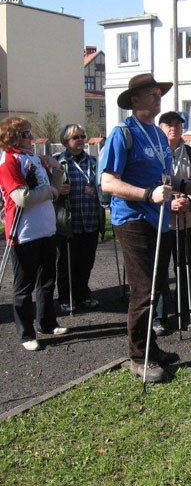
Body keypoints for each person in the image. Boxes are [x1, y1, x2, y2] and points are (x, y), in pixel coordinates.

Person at [99, 73, 178, 383]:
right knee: (143, 290)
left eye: (160, 93)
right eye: (152, 93)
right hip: (132, 219)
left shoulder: (158, 135)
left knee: (155, 286)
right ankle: (139, 357)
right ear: (135, 100)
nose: (158, 97)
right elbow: (108, 182)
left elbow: (163, 179)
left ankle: (152, 347)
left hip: (158, 218)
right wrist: (147, 195)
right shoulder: (122, 133)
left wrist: (186, 186)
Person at [0, 117, 69, 351]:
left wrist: (56, 168)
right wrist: (49, 191)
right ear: (13, 137)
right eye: (25, 134)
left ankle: (47, 322)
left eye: (30, 133)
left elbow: (55, 190)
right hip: (24, 231)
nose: (31, 137)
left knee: (47, 280)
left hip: (46, 228)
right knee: (24, 285)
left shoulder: (33, 158)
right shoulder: (9, 160)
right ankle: (25, 332)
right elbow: (21, 197)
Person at [152, 111, 191, 335]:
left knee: (184, 267)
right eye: (169, 124)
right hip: (160, 223)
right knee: (159, 271)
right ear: (161, 127)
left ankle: (187, 314)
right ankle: (159, 317)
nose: (174, 128)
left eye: (178, 124)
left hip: (187, 221)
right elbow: (149, 185)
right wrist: (167, 205)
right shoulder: (153, 154)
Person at [53, 124, 100, 313]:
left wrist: (96, 189)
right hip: (68, 221)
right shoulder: (58, 162)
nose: (80, 140)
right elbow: (48, 189)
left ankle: (83, 295)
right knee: (66, 262)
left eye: (82, 136)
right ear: (66, 141)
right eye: (75, 137)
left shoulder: (94, 162)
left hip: (90, 219)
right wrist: (58, 190)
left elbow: (105, 187)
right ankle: (65, 297)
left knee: (86, 261)